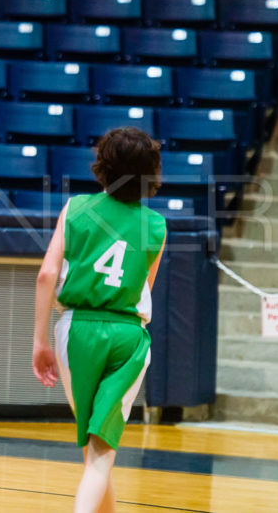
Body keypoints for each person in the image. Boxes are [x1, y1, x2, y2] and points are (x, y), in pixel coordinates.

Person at [32, 127, 167, 513]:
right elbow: (143, 288)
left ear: (102, 167)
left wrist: (40, 341)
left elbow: (45, 276)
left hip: (74, 331)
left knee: (96, 446)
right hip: (126, 336)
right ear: (150, 173)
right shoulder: (155, 225)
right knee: (101, 451)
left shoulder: (75, 208)